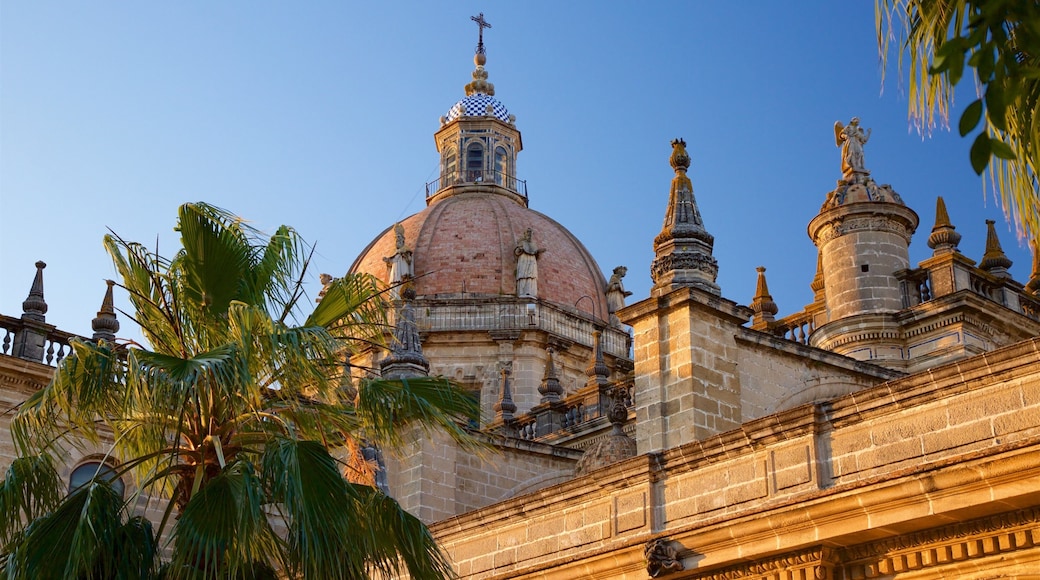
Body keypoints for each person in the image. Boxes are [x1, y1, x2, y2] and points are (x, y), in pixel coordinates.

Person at [514, 228, 544, 298]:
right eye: (528, 233)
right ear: (525, 234)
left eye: (531, 233)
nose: (529, 235)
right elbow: (516, 252)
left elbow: (536, 254)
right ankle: (522, 291)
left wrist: (538, 252)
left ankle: (530, 291)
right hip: (523, 260)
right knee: (523, 274)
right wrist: (520, 249)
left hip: (532, 261)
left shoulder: (533, 244)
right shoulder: (521, 243)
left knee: (531, 275)